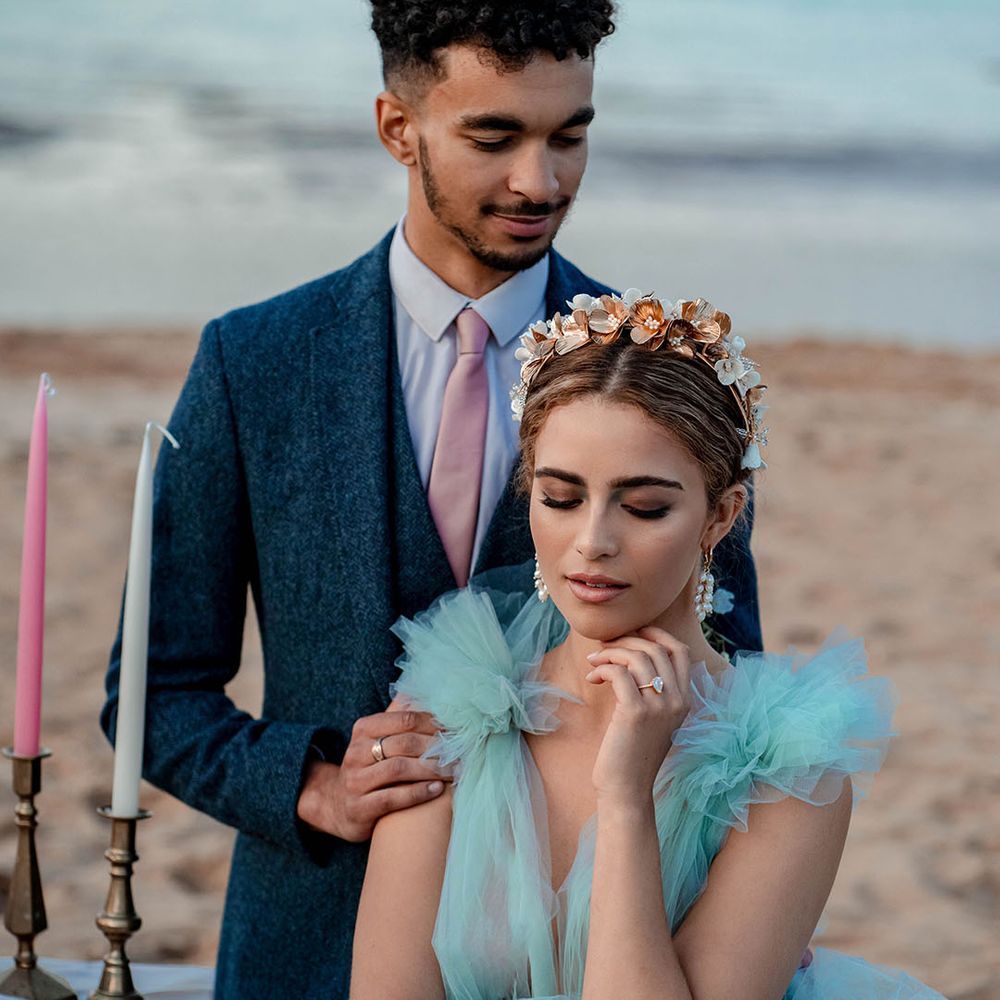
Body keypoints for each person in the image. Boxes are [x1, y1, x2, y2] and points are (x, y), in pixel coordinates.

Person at [100, 4, 763, 998]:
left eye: (569, 136)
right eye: (494, 136)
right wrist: (313, 785)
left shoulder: (657, 375)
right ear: (397, 127)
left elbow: (725, 658)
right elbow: (153, 693)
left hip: (586, 950)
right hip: (308, 944)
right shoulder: (255, 363)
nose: (540, 181)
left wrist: (747, 901)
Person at [351, 293, 947, 999]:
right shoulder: (453, 713)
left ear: (719, 516)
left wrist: (627, 799)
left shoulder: (792, 770)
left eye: (644, 507)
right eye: (561, 498)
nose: (593, 542)